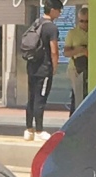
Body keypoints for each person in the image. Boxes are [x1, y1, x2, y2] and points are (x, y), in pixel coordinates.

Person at [24, 0, 62, 141]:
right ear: (52, 10)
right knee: (41, 98)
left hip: (32, 66)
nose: (60, 13)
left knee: (32, 98)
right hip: (44, 68)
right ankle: (39, 130)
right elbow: (54, 50)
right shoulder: (51, 28)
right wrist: (55, 66)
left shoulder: (37, 23)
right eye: (59, 10)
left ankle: (29, 129)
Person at [64, 6, 89, 114]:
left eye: (87, 21)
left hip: (90, 67)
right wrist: (79, 50)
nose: (84, 24)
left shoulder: (94, 33)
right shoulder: (72, 33)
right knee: (78, 96)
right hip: (76, 68)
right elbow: (66, 52)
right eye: (81, 21)